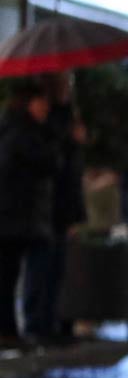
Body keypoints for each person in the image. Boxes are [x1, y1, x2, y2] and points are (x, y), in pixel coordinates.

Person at [23, 73, 84, 343]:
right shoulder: (48, 125)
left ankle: (52, 322)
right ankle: (39, 323)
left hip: (60, 206)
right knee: (43, 268)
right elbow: (52, 163)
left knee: (56, 269)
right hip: (48, 207)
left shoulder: (66, 118)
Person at [0, 80, 59, 348]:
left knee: (11, 276)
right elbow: (46, 164)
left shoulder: (17, 130)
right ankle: (18, 329)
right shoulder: (23, 134)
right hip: (18, 218)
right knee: (19, 275)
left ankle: (12, 330)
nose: (46, 107)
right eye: (41, 101)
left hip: (20, 218)